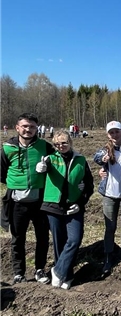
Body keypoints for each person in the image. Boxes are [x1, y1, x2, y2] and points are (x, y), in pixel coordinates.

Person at [37, 130, 94, 290]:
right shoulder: (50, 159)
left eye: (64, 143)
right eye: (57, 144)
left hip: (74, 206)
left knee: (75, 239)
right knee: (59, 242)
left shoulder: (81, 160)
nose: (61, 146)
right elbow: (40, 174)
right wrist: (40, 168)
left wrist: (81, 202)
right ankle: (67, 276)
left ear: (70, 142)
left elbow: (89, 185)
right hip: (53, 206)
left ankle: (58, 270)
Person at [1, 112, 53, 284]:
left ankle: (40, 269)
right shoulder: (7, 148)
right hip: (17, 202)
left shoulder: (44, 146)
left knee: (43, 237)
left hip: (40, 201)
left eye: (31, 127)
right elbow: (2, 173)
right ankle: (19, 272)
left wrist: (46, 169)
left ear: (36, 128)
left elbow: (58, 164)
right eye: (24, 126)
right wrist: (16, 183)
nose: (28, 129)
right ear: (17, 128)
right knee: (17, 238)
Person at [94, 121, 121, 274]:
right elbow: (97, 158)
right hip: (110, 194)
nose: (114, 135)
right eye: (111, 132)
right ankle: (108, 256)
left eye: (117, 131)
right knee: (110, 227)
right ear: (108, 135)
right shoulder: (105, 150)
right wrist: (102, 162)